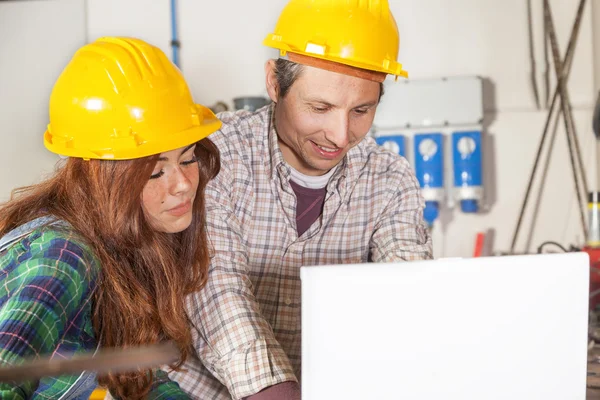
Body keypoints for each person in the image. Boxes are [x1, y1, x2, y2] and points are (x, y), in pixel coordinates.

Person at [169, 0, 433, 399]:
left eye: (361, 110)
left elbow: (406, 294)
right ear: (275, 83)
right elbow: (217, 291)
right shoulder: (214, 158)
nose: (340, 135)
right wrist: (275, 390)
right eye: (320, 107)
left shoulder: (389, 180)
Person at [0, 37, 221, 399]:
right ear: (102, 176)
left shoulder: (122, 245)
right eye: (154, 172)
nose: (183, 185)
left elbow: (135, 379)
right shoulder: (62, 257)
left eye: (187, 159)